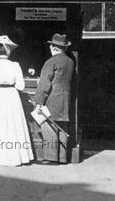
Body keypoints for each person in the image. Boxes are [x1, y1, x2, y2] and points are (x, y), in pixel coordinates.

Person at [0, 35, 34, 166]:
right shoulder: (15, 65)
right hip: (11, 96)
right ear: (9, 51)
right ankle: (14, 156)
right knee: (12, 124)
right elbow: (21, 86)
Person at [34, 33, 74, 164]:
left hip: (52, 99)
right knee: (62, 128)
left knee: (49, 126)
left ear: (53, 47)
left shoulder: (51, 62)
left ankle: (51, 158)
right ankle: (62, 158)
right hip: (65, 99)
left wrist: (39, 101)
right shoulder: (70, 62)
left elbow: (45, 83)